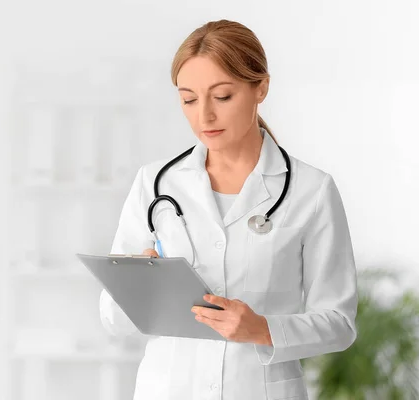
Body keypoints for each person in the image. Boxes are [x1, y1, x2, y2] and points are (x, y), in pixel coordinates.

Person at [99, 19, 358, 400]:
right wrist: (138, 285)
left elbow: (339, 324)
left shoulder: (311, 191)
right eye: (189, 99)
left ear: (261, 88)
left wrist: (262, 329)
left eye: (221, 96)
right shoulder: (154, 184)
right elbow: (112, 319)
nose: (203, 116)